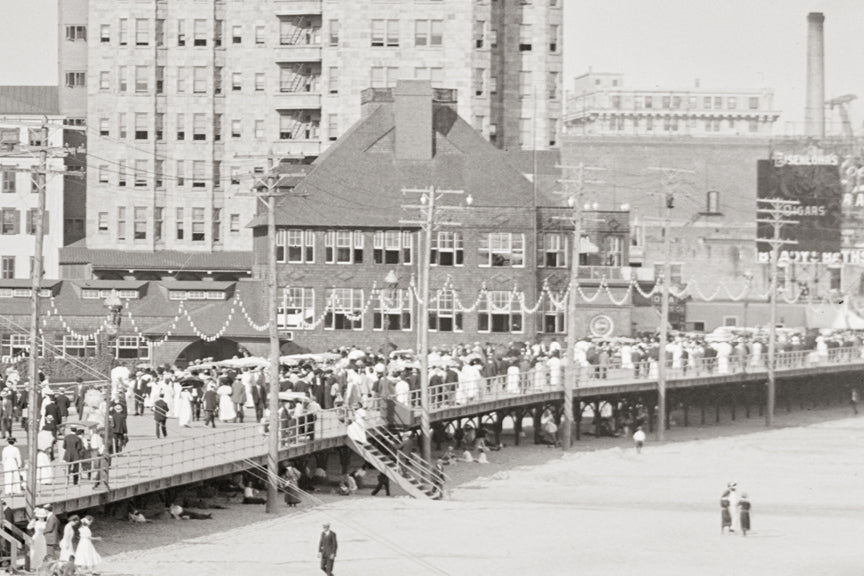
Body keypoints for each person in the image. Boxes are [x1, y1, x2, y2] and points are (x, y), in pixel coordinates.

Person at [28, 507, 48, 572]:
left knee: (42, 551)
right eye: (39, 516)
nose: (41, 518)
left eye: (42, 517)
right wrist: (32, 522)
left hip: (42, 537)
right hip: (36, 537)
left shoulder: (46, 523)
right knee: (34, 551)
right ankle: (33, 566)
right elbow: (28, 527)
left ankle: (40, 565)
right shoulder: (36, 522)